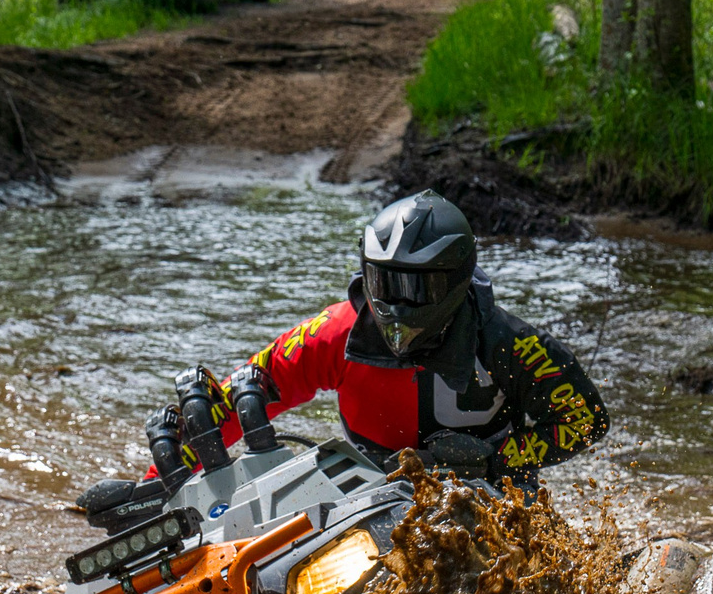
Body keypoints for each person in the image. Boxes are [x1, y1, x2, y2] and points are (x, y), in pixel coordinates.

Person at [197, 190, 609, 485]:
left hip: (493, 501)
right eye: (384, 282)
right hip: (365, 507)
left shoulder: (510, 343)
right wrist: (158, 490)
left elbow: (586, 420)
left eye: (414, 289)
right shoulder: (334, 333)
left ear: (455, 283)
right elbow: (232, 404)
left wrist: (496, 458)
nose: (395, 305)